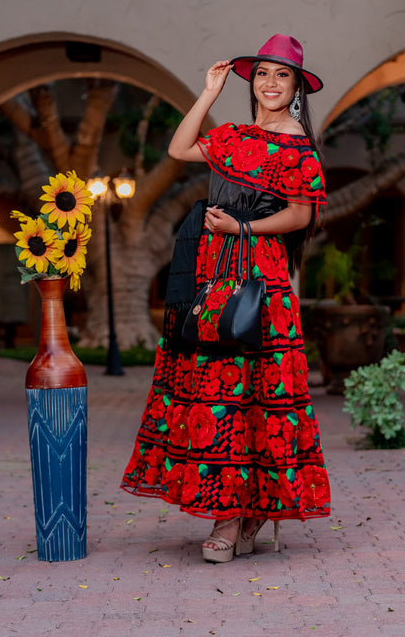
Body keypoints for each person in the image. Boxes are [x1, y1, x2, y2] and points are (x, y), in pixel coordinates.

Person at [121, 34, 331, 562]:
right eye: (262, 73)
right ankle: (237, 514)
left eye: (282, 75)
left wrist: (244, 226)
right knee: (216, 388)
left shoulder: (297, 147)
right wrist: (209, 93)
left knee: (253, 394)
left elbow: (300, 217)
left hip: (262, 276)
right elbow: (178, 147)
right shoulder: (234, 134)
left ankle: (238, 516)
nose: (270, 83)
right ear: (251, 82)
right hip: (212, 273)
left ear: (298, 87)